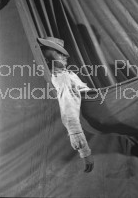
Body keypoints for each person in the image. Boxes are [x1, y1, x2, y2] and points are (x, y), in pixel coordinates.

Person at [37, 37, 94, 173]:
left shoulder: (68, 74)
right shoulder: (62, 78)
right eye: (58, 52)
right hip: (100, 112)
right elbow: (69, 112)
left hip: (103, 104)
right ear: (46, 56)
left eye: (64, 53)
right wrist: (85, 153)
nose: (65, 56)